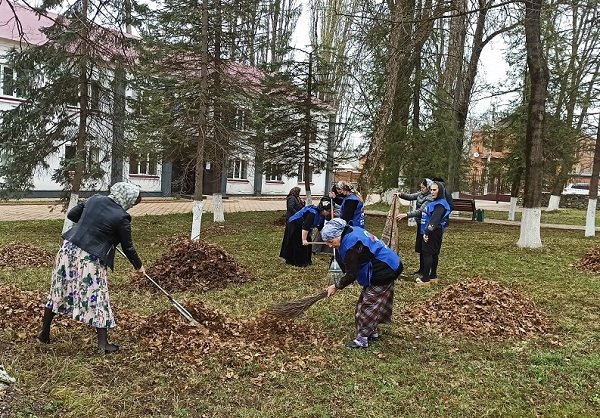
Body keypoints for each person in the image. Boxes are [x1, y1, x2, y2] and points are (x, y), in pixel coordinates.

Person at [37, 182, 145, 354]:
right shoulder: (122, 217)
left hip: (68, 250)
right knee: (97, 296)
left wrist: (93, 225)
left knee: (58, 290)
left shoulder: (95, 199)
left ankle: (44, 333)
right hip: (89, 259)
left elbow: (73, 215)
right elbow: (128, 247)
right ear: (127, 199)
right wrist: (139, 266)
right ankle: (103, 345)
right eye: (132, 203)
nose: (131, 206)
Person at [321, 218, 403, 349]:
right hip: (387, 264)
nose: (330, 246)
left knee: (367, 306)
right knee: (372, 302)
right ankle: (372, 331)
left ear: (338, 234)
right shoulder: (352, 231)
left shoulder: (351, 246)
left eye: (331, 241)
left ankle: (362, 339)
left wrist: (336, 286)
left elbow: (351, 274)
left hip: (384, 270)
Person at [416, 181, 451, 286]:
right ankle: (433, 276)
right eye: (431, 190)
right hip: (433, 231)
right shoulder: (435, 202)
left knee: (427, 253)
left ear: (440, 191)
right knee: (434, 253)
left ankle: (425, 279)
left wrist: (427, 233)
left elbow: (434, 220)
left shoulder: (440, 204)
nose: (432, 192)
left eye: (434, 190)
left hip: (433, 232)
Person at [279, 197, 332, 267]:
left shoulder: (322, 216)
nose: (329, 212)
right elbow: (305, 227)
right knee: (297, 242)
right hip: (295, 223)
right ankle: (295, 261)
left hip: (304, 226)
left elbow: (321, 229)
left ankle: (306, 261)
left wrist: (327, 239)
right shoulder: (312, 213)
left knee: (308, 243)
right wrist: (304, 239)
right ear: (323, 209)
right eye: (328, 210)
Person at [396, 178, 433, 275]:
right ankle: (421, 269)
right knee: (420, 248)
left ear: (428, 188)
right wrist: (400, 195)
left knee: (425, 249)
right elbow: (410, 196)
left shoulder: (429, 198)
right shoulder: (421, 194)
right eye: (421, 187)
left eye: (423, 188)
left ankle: (426, 271)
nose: (421, 189)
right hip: (420, 224)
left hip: (426, 225)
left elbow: (421, 211)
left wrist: (406, 215)